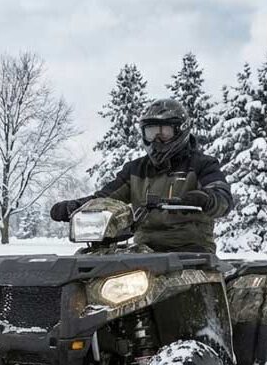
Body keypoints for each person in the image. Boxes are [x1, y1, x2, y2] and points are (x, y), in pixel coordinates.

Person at [51, 98, 233, 253]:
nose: (157, 139)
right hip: (145, 250)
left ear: (180, 131)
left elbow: (222, 197)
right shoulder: (136, 169)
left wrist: (207, 199)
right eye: (152, 132)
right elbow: (105, 198)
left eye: (164, 132)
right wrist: (76, 207)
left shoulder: (202, 164)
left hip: (192, 250)